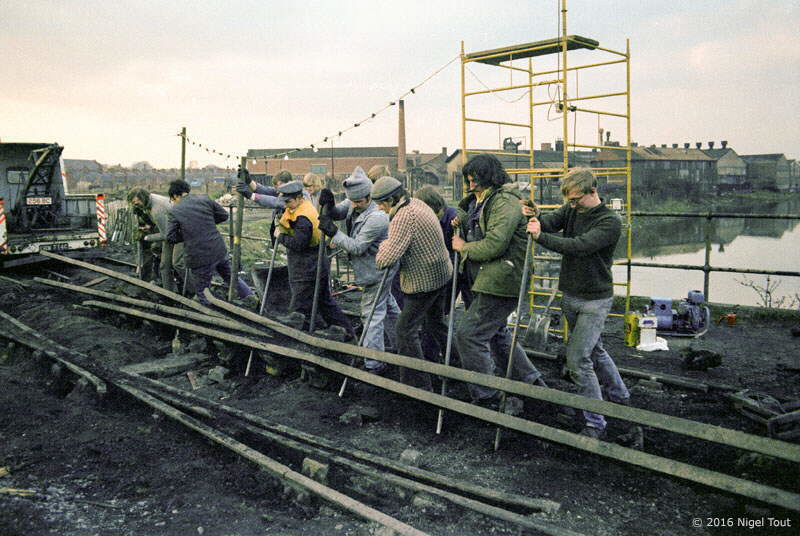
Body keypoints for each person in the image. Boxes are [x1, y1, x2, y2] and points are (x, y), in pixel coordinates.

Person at [525, 167, 641, 446]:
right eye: (569, 201)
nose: (572, 206)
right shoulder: (572, 209)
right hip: (571, 296)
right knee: (594, 350)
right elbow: (551, 222)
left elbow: (578, 246)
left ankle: (595, 423)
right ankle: (619, 397)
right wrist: (535, 215)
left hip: (595, 300)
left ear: (593, 191)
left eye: (576, 200)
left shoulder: (609, 221)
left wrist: (540, 237)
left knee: (578, 360)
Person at [451, 154, 547, 408]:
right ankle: (532, 384)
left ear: (489, 177)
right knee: (496, 334)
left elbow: (495, 243)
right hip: (486, 278)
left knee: (469, 335)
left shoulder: (504, 201)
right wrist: (461, 216)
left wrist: (463, 247)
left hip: (503, 279)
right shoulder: (483, 199)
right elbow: (474, 215)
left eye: (475, 181)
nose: (471, 186)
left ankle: (488, 397)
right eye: (468, 181)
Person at [373, 176, 452, 390]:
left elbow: (384, 260)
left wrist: (383, 244)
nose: (380, 208)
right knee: (436, 324)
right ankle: (458, 368)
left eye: (381, 203)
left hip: (424, 281)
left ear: (391, 199)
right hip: (441, 274)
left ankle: (417, 386)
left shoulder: (403, 217)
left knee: (404, 330)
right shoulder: (417, 203)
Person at [317, 167, 399, 372]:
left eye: (359, 202)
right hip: (373, 268)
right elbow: (339, 212)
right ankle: (404, 346)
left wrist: (333, 232)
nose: (354, 205)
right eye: (352, 201)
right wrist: (329, 205)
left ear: (370, 196)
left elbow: (357, 247)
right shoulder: (355, 200)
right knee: (389, 309)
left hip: (377, 268)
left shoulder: (377, 217)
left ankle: (373, 362)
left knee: (371, 315)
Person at [275, 180, 355, 338]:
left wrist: (281, 236)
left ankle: (296, 334)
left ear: (298, 198)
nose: (286, 205)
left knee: (300, 302)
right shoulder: (301, 207)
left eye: (288, 201)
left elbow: (298, 244)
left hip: (306, 266)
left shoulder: (303, 217)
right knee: (324, 301)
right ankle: (347, 331)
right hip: (314, 262)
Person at [165, 179, 257, 308]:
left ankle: (210, 315)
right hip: (218, 248)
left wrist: (188, 233)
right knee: (230, 276)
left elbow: (170, 237)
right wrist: (206, 224)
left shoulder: (175, 211)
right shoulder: (204, 198)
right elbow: (224, 216)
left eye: (172, 199)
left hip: (199, 256)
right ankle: (250, 296)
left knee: (203, 290)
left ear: (175, 195)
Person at [127, 187, 185, 292]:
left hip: (181, 232)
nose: (135, 205)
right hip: (171, 232)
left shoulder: (156, 209)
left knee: (177, 263)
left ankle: (194, 290)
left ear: (143, 198)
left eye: (136, 202)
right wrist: (147, 224)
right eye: (133, 203)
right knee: (164, 266)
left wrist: (146, 237)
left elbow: (166, 235)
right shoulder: (149, 200)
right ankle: (170, 294)